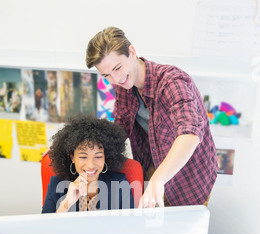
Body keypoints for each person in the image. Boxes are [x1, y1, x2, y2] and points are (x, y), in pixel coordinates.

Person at [86, 27, 218, 208]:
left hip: (189, 178)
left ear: (132, 52)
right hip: (153, 165)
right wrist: (73, 148)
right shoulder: (124, 84)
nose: (115, 79)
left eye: (117, 68)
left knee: (181, 233)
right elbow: (119, 130)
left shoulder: (172, 81)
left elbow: (190, 134)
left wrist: (158, 179)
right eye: (107, 75)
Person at [42, 115, 135, 213]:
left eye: (98, 156)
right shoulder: (56, 183)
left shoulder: (120, 183)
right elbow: (45, 227)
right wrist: (66, 203)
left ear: (105, 156)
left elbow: (130, 225)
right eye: (83, 157)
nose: (91, 165)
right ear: (72, 157)